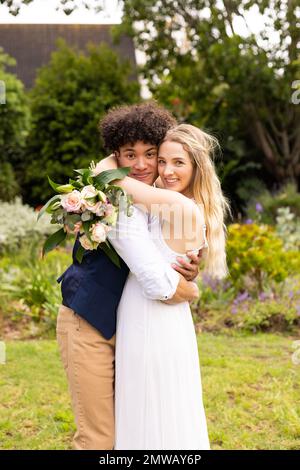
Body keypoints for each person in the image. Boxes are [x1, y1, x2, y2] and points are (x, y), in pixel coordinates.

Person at [56, 103, 203, 450]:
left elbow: (171, 249)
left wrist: (191, 264)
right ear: (115, 156)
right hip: (89, 322)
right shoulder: (111, 198)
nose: (140, 164)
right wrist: (186, 289)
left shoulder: (152, 198)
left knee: (131, 430)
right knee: (99, 438)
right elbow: (153, 276)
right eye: (129, 154)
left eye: (150, 154)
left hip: (130, 328)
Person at [98, 123, 231, 449]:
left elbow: (109, 176)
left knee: (152, 404)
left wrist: (110, 161)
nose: (167, 171)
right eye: (163, 161)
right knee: (155, 403)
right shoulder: (167, 201)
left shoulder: (180, 207)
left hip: (153, 314)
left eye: (179, 163)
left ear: (197, 168)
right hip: (155, 313)